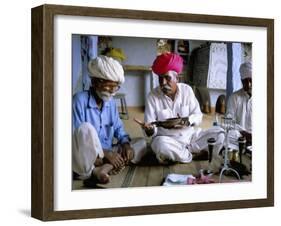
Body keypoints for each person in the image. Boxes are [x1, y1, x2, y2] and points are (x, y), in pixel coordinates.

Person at [136, 52, 225, 164]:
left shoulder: (187, 90)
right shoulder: (152, 96)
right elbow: (151, 128)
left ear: (177, 78)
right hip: (167, 140)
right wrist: (149, 130)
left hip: (191, 137)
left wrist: (188, 121)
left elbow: (198, 116)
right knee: (160, 146)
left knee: (220, 133)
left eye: (167, 78)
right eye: (160, 79)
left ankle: (184, 152)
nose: (163, 83)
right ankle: (190, 154)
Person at [72, 56, 146, 184]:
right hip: (87, 157)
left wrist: (126, 145)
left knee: (141, 143)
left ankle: (103, 169)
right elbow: (76, 138)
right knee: (85, 128)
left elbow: (118, 128)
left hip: (109, 151)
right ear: (95, 82)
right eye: (109, 86)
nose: (112, 92)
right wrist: (105, 153)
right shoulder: (79, 100)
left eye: (116, 87)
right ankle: (95, 168)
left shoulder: (110, 102)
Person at [226, 62, 252, 147]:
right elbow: (228, 121)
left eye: (251, 80)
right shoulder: (234, 97)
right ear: (241, 80)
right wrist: (243, 132)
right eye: (245, 81)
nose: (248, 84)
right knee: (224, 134)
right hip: (239, 136)